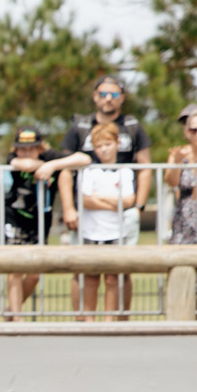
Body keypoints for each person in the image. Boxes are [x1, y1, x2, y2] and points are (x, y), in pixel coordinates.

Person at [36, 76, 151, 315]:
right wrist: (69, 207)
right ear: (95, 96)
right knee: (84, 270)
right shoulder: (80, 126)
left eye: (114, 94)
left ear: (122, 97)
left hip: (124, 206)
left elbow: (145, 167)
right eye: (104, 93)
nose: (109, 99)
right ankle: (83, 320)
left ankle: (120, 320)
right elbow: (67, 168)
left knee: (121, 272)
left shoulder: (132, 125)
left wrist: (137, 206)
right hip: (87, 212)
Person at [76, 121, 136, 320]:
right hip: (90, 232)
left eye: (107, 144)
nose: (103, 150)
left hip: (115, 232)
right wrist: (114, 203)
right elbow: (85, 200)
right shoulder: (88, 171)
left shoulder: (125, 171)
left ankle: (110, 321)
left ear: (117, 143)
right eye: (99, 146)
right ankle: (89, 320)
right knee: (91, 278)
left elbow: (128, 200)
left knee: (112, 279)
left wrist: (99, 198)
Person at [0, 126, 56, 318]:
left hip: (39, 223)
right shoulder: (12, 159)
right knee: (15, 270)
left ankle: (11, 310)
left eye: (31, 149)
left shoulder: (50, 158)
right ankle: (17, 317)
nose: (25, 153)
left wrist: (51, 165)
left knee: (35, 272)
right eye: (21, 149)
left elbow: (83, 158)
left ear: (40, 148)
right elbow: (20, 164)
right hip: (14, 218)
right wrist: (43, 165)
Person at [164, 104, 197, 312]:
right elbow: (171, 182)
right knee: (183, 272)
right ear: (187, 131)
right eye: (194, 129)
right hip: (186, 220)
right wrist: (176, 163)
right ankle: (184, 322)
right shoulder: (181, 153)